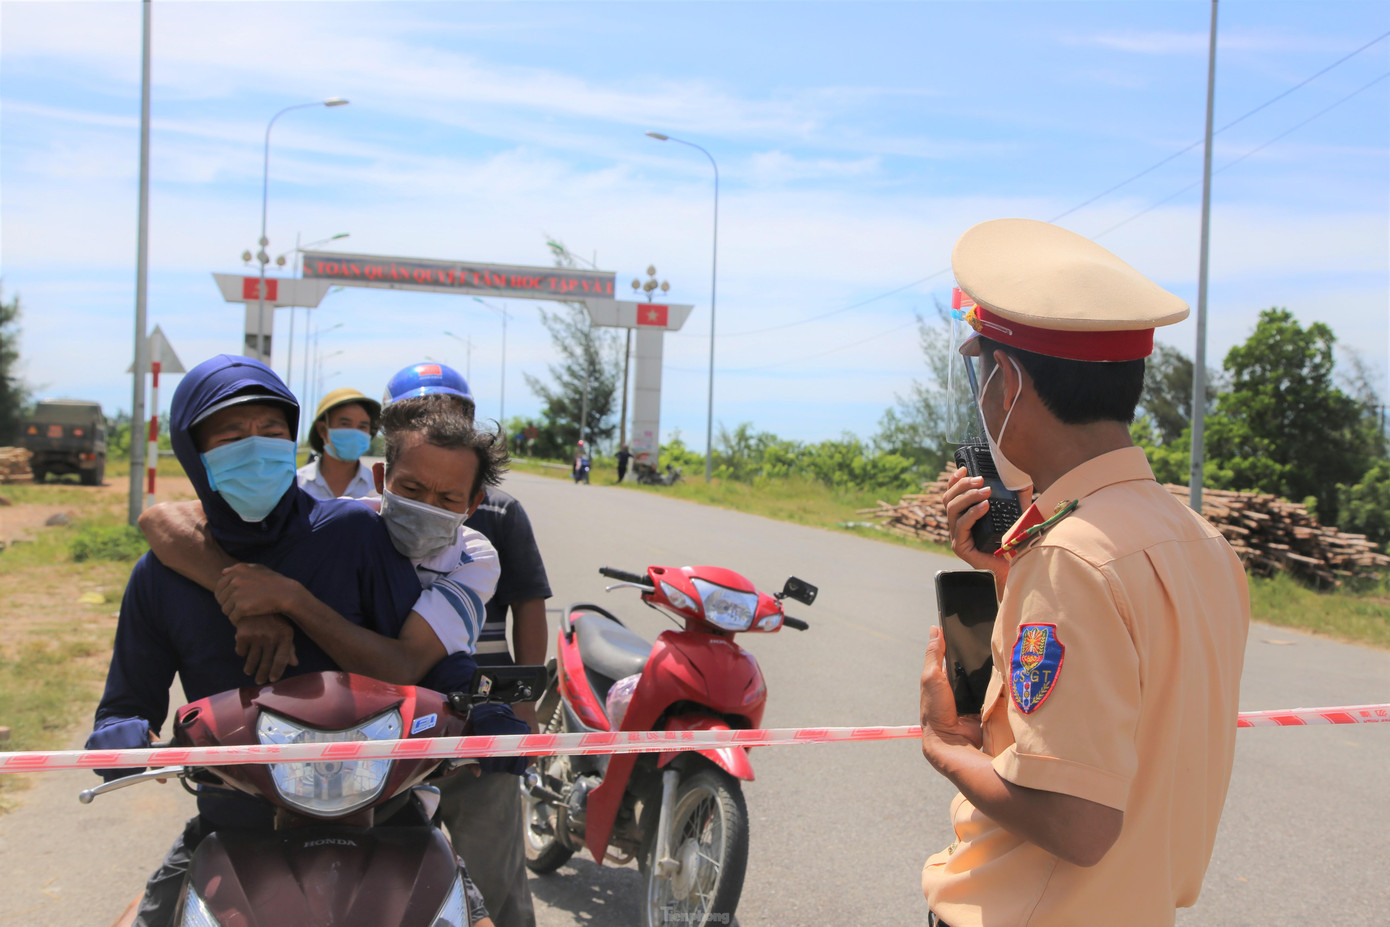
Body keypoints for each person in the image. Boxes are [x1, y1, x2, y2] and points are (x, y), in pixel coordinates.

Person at [919, 218, 1250, 927]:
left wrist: (945, 748)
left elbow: (1077, 823)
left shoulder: (1072, 557)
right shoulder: (1201, 543)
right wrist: (1005, 574)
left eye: (984, 373)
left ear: (1006, 383)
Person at [87, 355, 433, 927]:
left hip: (384, 818)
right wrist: (117, 737)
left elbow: (422, 663)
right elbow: (125, 705)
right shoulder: (160, 576)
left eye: (272, 432)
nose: (256, 447)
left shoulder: (355, 536)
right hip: (233, 823)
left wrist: (481, 704)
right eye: (231, 436)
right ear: (195, 454)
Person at [382, 362, 552, 927]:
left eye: (455, 413)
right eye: (419, 415)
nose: (441, 424)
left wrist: (523, 705)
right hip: (389, 721)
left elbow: (529, 605)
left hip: (481, 713)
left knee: (494, 877)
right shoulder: (369, 515)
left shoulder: (498, 514)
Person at [298, 387, 380, 500]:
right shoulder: (297, 484)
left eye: (362, 427)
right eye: (345, 424)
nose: (355, 433)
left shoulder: (377, 488)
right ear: (322, 429)